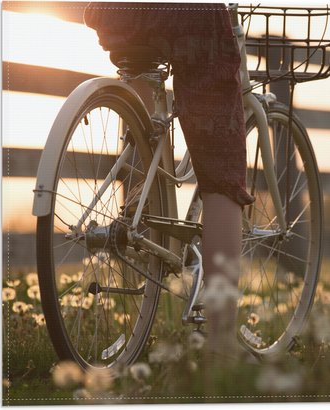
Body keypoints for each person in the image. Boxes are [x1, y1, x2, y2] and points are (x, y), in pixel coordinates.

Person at [84, 2, 254, 360]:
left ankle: (141, 219)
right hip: (189, 14)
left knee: (144, 122)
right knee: (222, 175)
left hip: (115, 12)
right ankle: (221, 346)